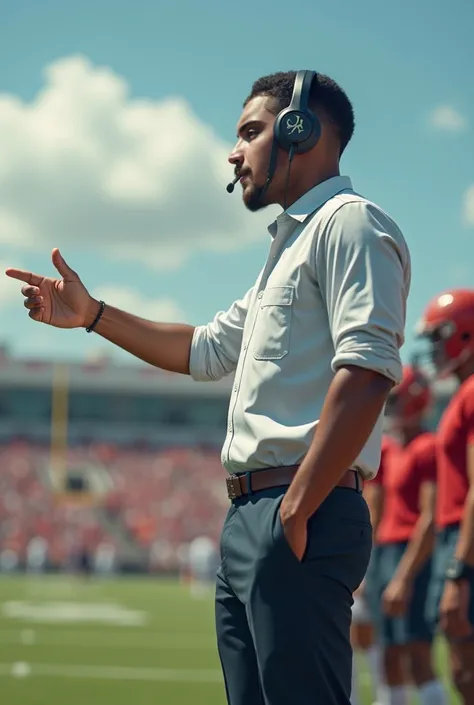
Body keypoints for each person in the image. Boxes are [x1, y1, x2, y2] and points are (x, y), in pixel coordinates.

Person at [5, 69, 411, 705]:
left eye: (251, 131)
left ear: (301, 130)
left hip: (297, 505)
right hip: (257, 513)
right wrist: (93, 316)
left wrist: (297, 509)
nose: (234, 151)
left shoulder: (349, 224)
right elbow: (202, 349)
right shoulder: (289, 247)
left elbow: (366, 374)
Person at [369, 366, 447, 705]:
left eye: (396, 398)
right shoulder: (387, 449)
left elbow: (429, 517)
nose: (391, 406)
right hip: (384, 552)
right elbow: (375, 509)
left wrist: (404, 576)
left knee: (417, 654)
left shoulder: (428, 447)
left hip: (411, 555)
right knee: (388, 654)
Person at [417, 289, 474, 705]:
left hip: (464, 540)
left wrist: (459, 572)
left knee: (467, 670)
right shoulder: (462, 393)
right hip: (455, 537)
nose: (433, 349)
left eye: (439, 337)